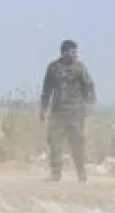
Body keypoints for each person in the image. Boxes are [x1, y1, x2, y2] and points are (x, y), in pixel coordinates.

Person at [39, 39, 96, 182]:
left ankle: (81, 174)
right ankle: (56, 174)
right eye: (72, 51)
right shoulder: (53, 68)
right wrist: (43, 108)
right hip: (57, 113)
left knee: (77, 143)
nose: (75, 54)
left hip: (75, 113)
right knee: (55, 143)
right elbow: (46, 90)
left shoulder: (79, 68)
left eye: (76, 51)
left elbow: (89, 87)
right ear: (64, 52)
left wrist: (89, 105)